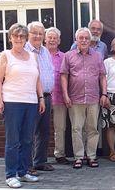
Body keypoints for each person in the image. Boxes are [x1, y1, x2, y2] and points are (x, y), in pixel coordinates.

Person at [0, 23, 45, 188]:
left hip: (30, 102)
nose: (19, 39)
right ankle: (11, 174)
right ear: (10, 38)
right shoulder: (6, 55)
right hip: (12, 102)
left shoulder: (32, 56)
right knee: (13, 141)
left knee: (27, 140)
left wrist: (41, 98)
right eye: (16, 36)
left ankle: (23, 172)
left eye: (22, 36)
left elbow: (37, 79)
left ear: (25, 39)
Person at [61, 27, 108, 169]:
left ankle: (91, 156)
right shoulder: (68, 56)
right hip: (75, 98)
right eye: (81, 38)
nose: (84, 40)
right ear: (76, 40)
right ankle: (79, 157)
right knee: (76, 128)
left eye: (86, 38)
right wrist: (65, 94)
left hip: (93, 98)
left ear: (90, 40)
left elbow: (102, 76)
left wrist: (104, 94)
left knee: (92, 128)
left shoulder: (97, 56)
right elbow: (64, 75)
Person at [25, 21, 54, 174]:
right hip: (32, 96)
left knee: (43, 131)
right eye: (34, 33)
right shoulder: (24, 51)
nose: (37, 36)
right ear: (28, 34)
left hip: (47, 96)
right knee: (29, 132)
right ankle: (27, 165)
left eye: (40, 33)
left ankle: (40, 162)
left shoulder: (45, 51)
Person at [45, 27, 69, 165]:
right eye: (50, 37)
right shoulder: (39, 55)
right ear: (45, 39)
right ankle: (39, 156)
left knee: (60, 128)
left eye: (55, 38)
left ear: (59, 41)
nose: (52, 40)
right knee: (40, 128)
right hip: (42, 97)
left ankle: (59, 154)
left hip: (60, 98)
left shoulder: (64, 57)